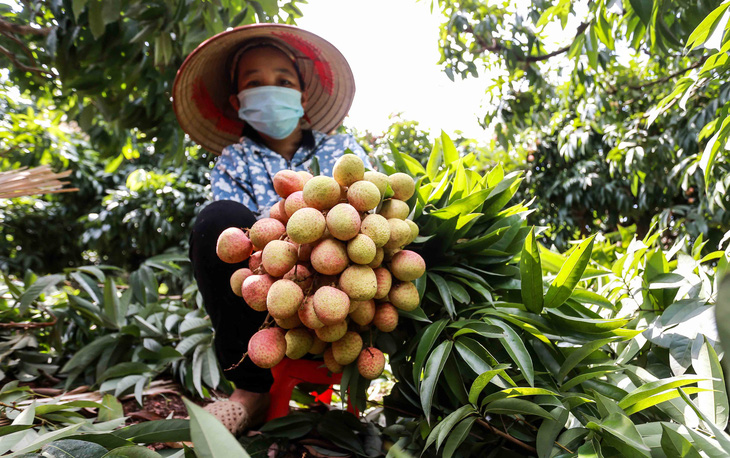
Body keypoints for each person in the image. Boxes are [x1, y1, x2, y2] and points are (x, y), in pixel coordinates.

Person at [172, 24, 371, 435]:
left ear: (300, 97)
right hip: (267, 284)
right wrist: (285, 230)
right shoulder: (234, 158)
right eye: (255, 82)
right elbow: (234, 244)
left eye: (282, 81)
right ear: (237, 101)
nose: (270, 89)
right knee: (216, 221)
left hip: (343, 281)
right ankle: (250, 391)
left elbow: (368, 211)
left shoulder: (341, 150)